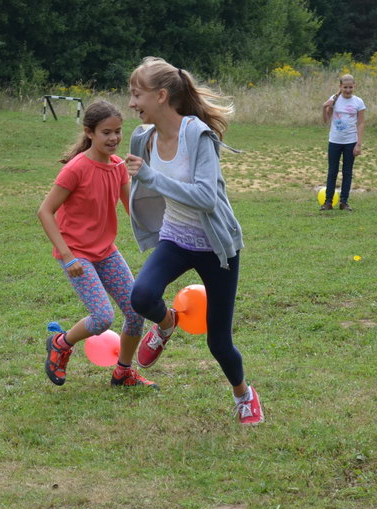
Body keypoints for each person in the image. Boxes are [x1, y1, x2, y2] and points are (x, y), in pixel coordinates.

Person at [123, 56, 264, 425]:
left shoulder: (197, 135)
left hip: (216, 247)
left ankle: (244, 394)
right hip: (175, 238)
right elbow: (142, 184)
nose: (132, 103)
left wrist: (151, 177)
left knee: (218, 342)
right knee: (141, 296)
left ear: (161, 95)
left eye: (137, 94)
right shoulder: (143, 137)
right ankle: (166, 323)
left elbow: (205, 197)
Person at [38, 100, 156, 389]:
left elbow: (134, 210)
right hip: (76, 254)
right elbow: (45, 212)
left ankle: (123, 372)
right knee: (103, 317)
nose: (114, 138)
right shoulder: (76, 169)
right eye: (106, 132)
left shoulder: (118, 167)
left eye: (118, 131)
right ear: (89, 132)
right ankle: (60, 343)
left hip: (105, 252)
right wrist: (67, 256)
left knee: (136, 311)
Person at [320, 74, 365, 212]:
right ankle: (328, 202)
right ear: (340, 86)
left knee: (347, 172)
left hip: (350, 141)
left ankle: (344, 202)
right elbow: (325, 120)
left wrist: (358, 144)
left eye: (350, 87)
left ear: (354, 86)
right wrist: (324, 107)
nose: (348, 90)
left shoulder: (358, 102)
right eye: (345, 87)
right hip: (334, 141)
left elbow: (361, 123)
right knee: (332, 171)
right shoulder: (334, 100)